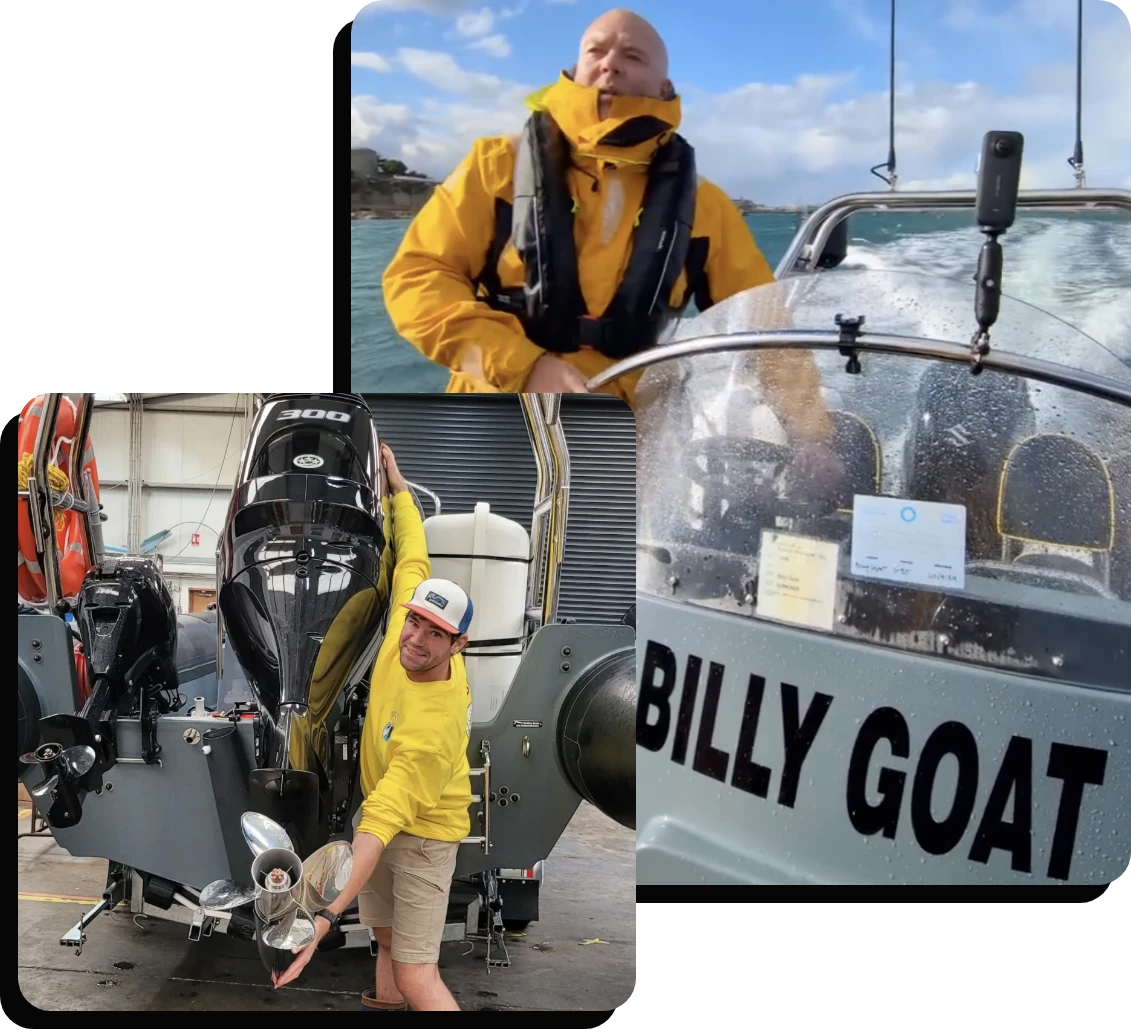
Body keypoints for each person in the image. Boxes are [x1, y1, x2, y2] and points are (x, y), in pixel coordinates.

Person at [380, 7, 834, 448]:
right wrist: (523, 366)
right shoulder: (493, 165)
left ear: (665, 86)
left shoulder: (705, 206)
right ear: (576, 68)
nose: (610, 63)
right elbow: (417, 278)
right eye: (596, 51)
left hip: (626, 437)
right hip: (495, 417)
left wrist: (813, 438)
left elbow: (765, 329)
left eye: (632, 56)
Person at [272, 443, 474, 1012]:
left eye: (435, 634)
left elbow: (382, 825)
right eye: (415, 621)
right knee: (384, 939)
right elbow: (412, 553)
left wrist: (325, 919)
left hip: (423, 838)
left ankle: (406, 999)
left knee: (417, 975)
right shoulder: (400, 632)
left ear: (459, 645)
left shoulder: (431, 727)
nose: (415, 638)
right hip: (381, 817)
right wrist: (398, 486)